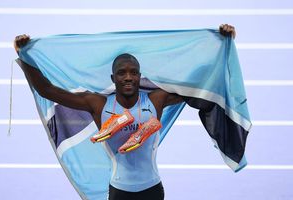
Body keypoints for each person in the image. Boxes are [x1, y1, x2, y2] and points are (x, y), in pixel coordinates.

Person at [14, 24, 236, 200]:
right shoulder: (98, 105)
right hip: (119, 192)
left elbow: (197, 85)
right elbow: (48, 90)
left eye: (133, 73)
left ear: (140, 77)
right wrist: (25, 56)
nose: (128, 77)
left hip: (153, 190)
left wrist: (221, 44)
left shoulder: (156, 99)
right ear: (113, 79)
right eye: (122, 73)